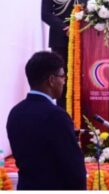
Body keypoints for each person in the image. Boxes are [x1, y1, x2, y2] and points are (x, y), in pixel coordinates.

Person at [6, 51, 87, 190]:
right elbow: (74, 169)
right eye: (62, 76)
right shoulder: (57, 116)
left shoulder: (15, 112)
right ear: (51, 80)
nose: (64, 81)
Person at [41, 0, 94, 108]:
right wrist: (66, 28)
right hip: (61, 39)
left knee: (85, 77)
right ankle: (62, 114)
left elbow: (96, 9)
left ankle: (83, 116)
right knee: (61, 78)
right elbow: (46, 13)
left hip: (85, 38)